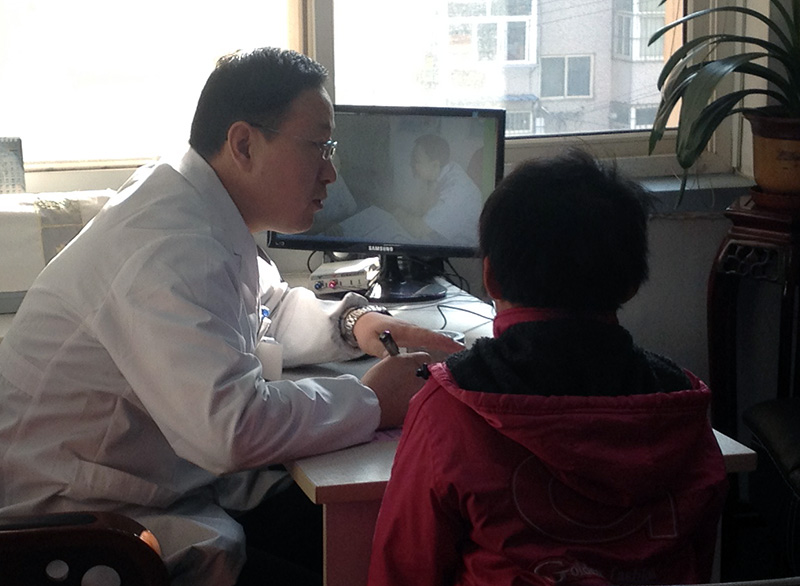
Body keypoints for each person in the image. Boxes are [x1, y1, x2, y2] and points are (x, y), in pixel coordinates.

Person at [0, 47, 462, 586]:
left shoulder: (195, 202)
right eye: (319, 146)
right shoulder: (166, 245)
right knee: (359, 550)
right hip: (78, 533)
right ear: (243, 143)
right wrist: (371, 400)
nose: (331, 172)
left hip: (153, 487)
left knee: (364, 532)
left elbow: (267, 307)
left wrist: (352, 325)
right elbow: (232, 428)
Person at [367, 149, 729, 586]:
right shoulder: (682, 409)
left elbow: (403, 571)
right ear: (632, 285)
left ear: (490, 278)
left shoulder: (450, 408)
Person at [394, 134, 482, 246]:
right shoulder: (440, 174)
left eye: (416, 160)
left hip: (461, 253)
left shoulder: (455, 191)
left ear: (435, 165)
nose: (411, 164)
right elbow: (421, 211)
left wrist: (393, 210)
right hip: (442, 245)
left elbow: (419, 230)